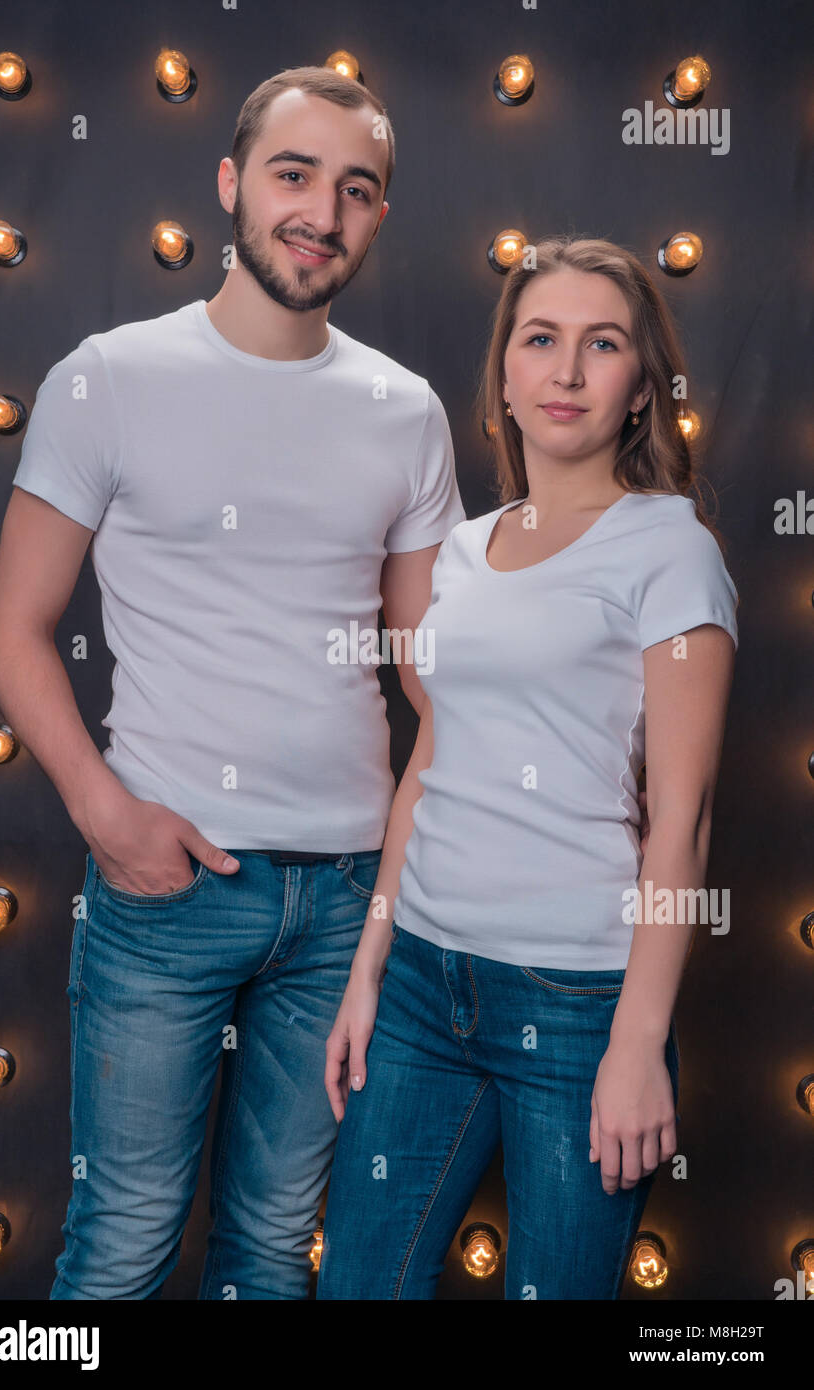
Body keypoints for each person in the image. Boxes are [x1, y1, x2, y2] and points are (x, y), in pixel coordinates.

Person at [0, 66, 466, 1300]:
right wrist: (108, 816)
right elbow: (13, 628)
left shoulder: (403, 409)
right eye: (294, 176)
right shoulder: (111, 376)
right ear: (231, 184)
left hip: (348, 896)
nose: (322, 211)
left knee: (269, 1248)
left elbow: (432, 673)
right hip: (166, 884)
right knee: (127, 1242)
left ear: (378, 218)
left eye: (356, 190)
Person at [316, 236, 739, 1301]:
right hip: (419, 984)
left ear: (640, 389)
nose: (564, 371)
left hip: (578, 998)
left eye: (601, 346)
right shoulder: (462, 549)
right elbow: (430, 759)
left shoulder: (669, 549)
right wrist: (369, 964)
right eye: (539, 339)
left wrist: (638, 1043)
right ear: (502, 374)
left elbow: (681, 820)